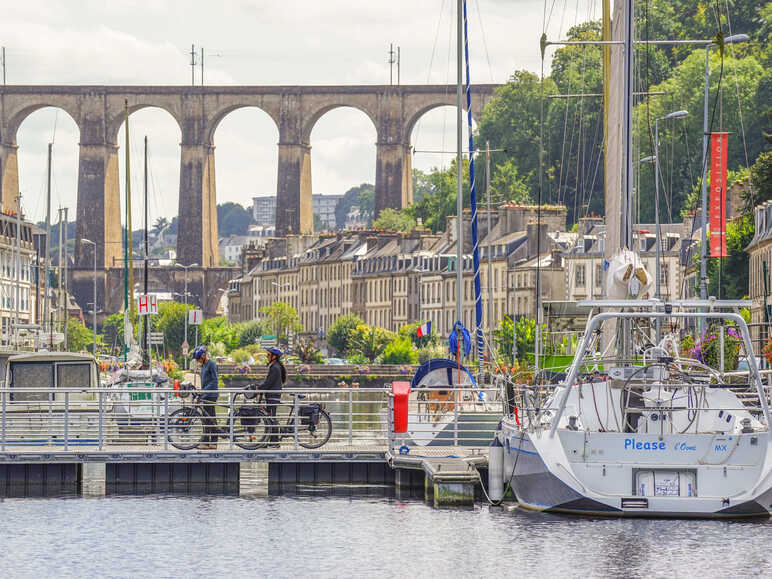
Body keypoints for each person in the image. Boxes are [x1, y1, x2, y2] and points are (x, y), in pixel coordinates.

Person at [192, 345, 220, 449]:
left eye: (198, 358)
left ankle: (213, 442)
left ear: (203, 356)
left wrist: (204, 391)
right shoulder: (203, 365)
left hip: (211, 395)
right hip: (205, 394)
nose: (197, 360)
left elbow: (214, 380)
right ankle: (206, 441)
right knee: (205, 418)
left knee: (210, 418)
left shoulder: (211, 364)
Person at [259, 347, 286, 447]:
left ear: (274, 357)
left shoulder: (274, 367)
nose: (267, 356)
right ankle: (272, 441)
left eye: (268, 355)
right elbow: (269, 382)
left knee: (271, 418)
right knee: (271, 418)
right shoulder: (276, 366)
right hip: (273, 395)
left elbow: (268, 383)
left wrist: (258, 388)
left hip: (272, 396)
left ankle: (275, 442)